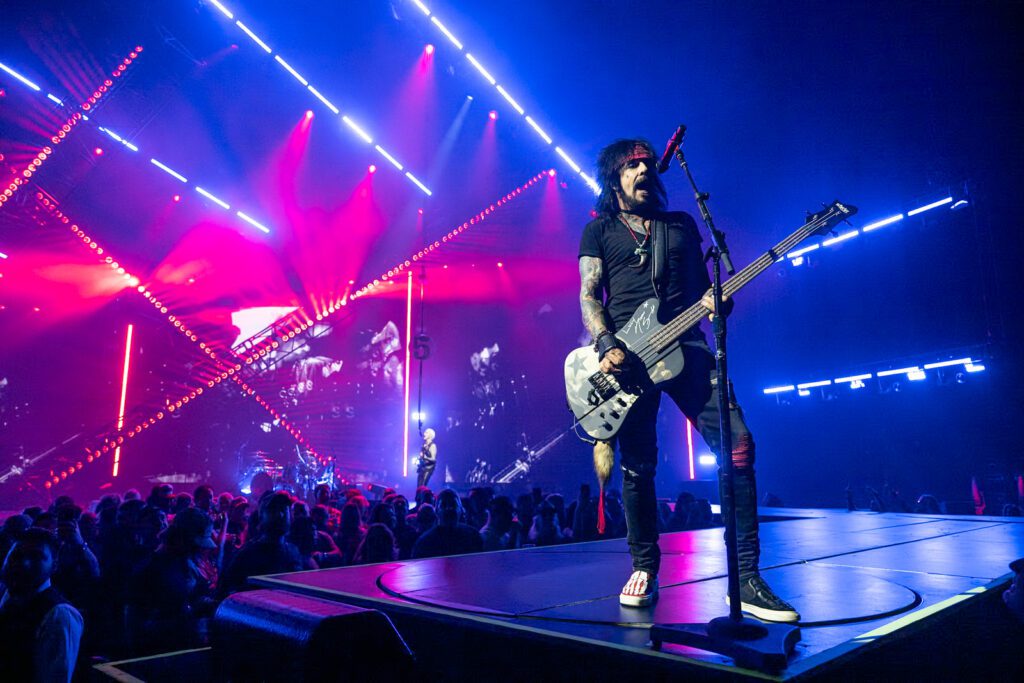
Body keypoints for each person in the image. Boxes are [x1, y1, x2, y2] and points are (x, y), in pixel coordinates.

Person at [576, 138, 798, 621]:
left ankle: (746, 577)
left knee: (738, 447)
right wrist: (606, 343)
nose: (642, 170)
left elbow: (707, 290)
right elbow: (590, 296)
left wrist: (720, 300)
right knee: (638, 465)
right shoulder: (600, 231)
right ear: (613, 177)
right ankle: (644, 567)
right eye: (631, 165)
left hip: (690, 347)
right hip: (629, 360)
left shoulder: (681, 225)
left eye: (646, 164)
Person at [0, 528, 84, 683]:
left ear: (54, 565)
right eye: (16, 555)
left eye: (36, 556)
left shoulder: (58, 614)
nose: (23, 563)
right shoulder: (6, 595)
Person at [411, 490, 482, 559]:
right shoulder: (424, 543)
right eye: (444, 505)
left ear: (461, 510)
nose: (449, 508)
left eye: (453, 504)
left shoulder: (473, 536)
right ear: (436, 511)